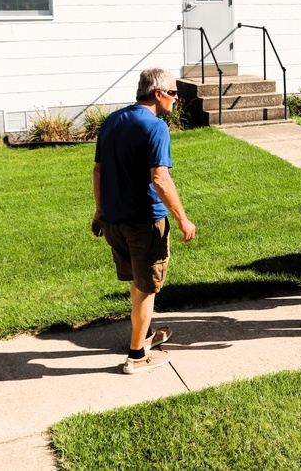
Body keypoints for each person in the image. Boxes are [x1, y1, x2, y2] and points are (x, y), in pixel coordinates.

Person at [92, 68, 196, 374]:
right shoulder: (155, 126)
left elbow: (98, 171)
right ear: (159, 93)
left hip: (114, 220)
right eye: (175, 93)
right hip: (144, 222)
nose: (177, 99)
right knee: (147, 287)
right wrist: (183, 219)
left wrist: (99, 213)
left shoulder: (113, 120)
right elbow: (160, 179)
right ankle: (136, 356)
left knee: (138, 285)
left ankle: (142, 335)